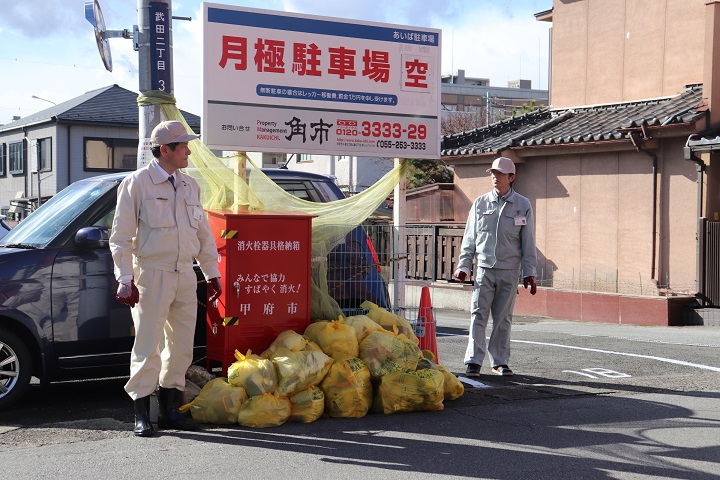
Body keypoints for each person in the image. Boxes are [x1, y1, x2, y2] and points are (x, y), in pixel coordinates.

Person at [110, 120, 222, 437]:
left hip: (185, 273)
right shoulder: (137, 184)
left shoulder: (190, 185)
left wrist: (212, 273)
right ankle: (142, 414)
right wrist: (125, 278)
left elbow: (203, 234)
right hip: (151, 273)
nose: (188, 150)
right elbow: (120, 238)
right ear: (165, 150)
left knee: (183, 346)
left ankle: (172, 411)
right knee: (147, 347)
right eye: (183, 145)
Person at [453, 156, 537, 377]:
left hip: (509, 271)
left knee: (503, 317)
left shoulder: (523, 205)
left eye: (499, 174)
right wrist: (464, 266)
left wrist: (529, 272)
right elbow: (469, 238)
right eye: (493, 173)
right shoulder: (480, 203)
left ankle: (499, 361)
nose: (495, 177)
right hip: (484, 269)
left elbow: (528, 242)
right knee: (478, 314)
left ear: (511, 177)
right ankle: (473, 361)